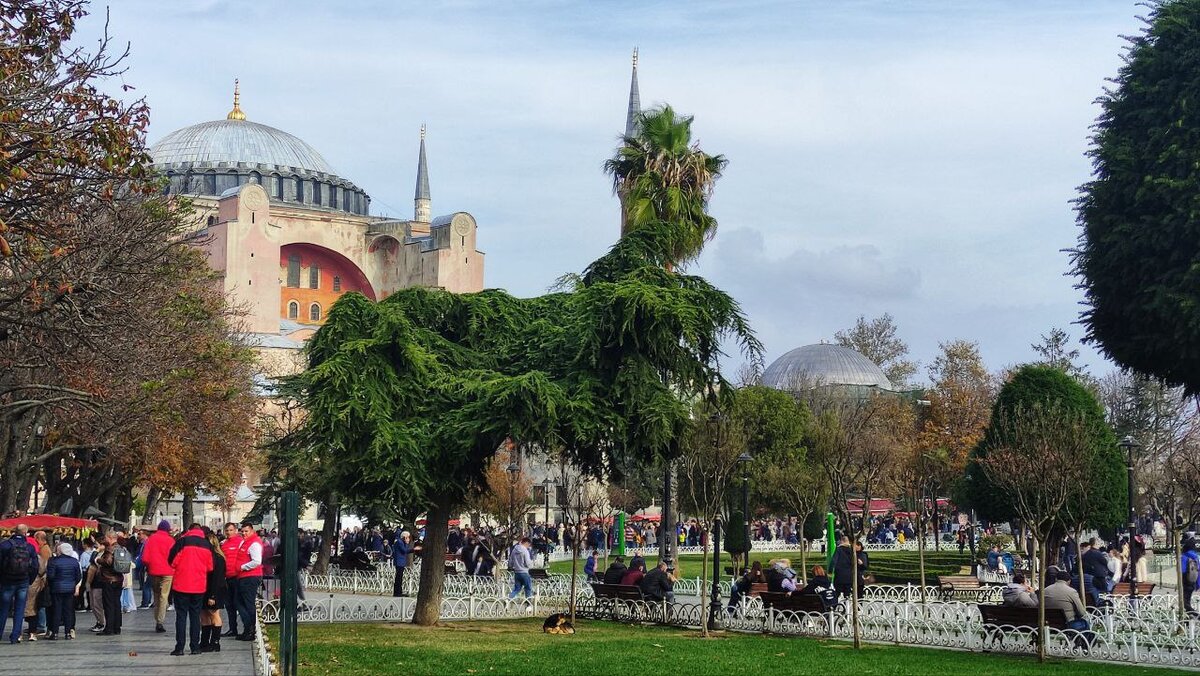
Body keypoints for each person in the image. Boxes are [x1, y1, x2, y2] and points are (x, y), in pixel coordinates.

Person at [167, 523, 213, 656]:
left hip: (181, 584)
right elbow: (210, 567)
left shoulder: (182, 541)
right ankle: (195, 647)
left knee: (181, 616)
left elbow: (172, 561)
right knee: (195, 616)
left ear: (189, 530)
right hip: (199, 586)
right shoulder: (206, 544)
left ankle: (179, 647)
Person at [0, 525, 39, 643]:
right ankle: (15, 635)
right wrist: (29, 580)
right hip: (23, 581)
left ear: (14, 531)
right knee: (20, 609)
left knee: (3, 609)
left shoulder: (5, 545)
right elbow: (35, 566)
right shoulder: (30, 547)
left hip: (7, 581)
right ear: (26, 533)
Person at [141, 520, 176, 633]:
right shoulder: (171, 540)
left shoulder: (151, 539)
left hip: (154, 571)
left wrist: (150, 565)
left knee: (156, 595)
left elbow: (145, 558)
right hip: (168, 571)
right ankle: (160, 621)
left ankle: (157, 619)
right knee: (164, 596)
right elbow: (175, 556)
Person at [233, 521, 264, 641]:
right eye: (242, 531)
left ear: (252, 531)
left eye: (246, 531)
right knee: (240, 602)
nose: (244, 533)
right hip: (243, 576)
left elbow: (256, 561)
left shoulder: (254, 543)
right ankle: (248, 628)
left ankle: (250, 629)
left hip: (250, 577)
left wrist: (242, 567)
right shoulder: (245, 542)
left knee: (247, 603)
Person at [44, 542, 81, 640]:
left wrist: (53, 583)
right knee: (68, 611)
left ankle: (55, 632)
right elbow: (78, 576)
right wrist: (72, 583)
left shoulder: (53, 561)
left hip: (56, 588)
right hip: (69, 589)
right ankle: (68, 632)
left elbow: (50, 576)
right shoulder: (74, 561)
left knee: (56, 610)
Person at [95, 530, 125, 635]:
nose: (105, 540)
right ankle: (117, 627)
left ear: (111, 538)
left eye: (106, 538)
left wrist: (98, 560)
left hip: (109, 579)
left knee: (109, 604)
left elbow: (108, 562)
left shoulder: (110, 549)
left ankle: (109, 628)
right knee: (117, 603)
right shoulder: (121, 548)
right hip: (119, 579)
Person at [200, 531, 226, 652]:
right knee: (204, 615)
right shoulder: (207, 557)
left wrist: (213, 596)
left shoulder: (218, 558)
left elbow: (217, 578)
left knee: (214, 614)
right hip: (205, 588)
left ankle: (215, 641)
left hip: (215, 590)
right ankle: (204, 641)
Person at [220, 522, 242, 638]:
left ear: (236, 530)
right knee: (229, 605)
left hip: (237, 576)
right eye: (227, 530)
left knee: (238, 603)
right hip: (227, 577)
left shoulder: (240, 543)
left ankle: (247, 628)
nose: (229, 532)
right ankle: (232, 628)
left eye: (231, 530)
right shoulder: (223, 544)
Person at [391, 531, 412, 597]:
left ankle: (399, 591)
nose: (408, 538)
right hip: (399, 562)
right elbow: (404, 550)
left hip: (401, 562)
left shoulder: (401, 542)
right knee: (398, 577)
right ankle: (397, 592)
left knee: (400, 577)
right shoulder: (399, 542)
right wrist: (410, 546)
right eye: (407, 537)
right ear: (404, 537)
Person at [1181, 537, 1199, 614]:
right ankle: (1189, 618)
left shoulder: (1184, 556)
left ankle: (1195, 615)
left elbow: (1182, 570)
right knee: (1187, 600)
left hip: (1186, 580)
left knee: (1185, 603)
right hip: (1193, 580)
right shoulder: (1196, 556)